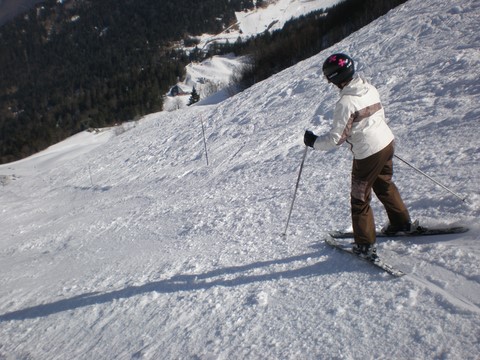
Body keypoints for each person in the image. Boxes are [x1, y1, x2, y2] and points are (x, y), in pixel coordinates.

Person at [304, 53, 416, 260]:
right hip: (386, 143)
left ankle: (365, 245)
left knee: (359, 198)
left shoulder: (346, 102)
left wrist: (313, 142)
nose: (329, 82)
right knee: (384, 184)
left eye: (329, 78)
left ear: (335, 78)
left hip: (368, 154)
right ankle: (401, 223)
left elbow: (336, 138)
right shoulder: (368, 87)